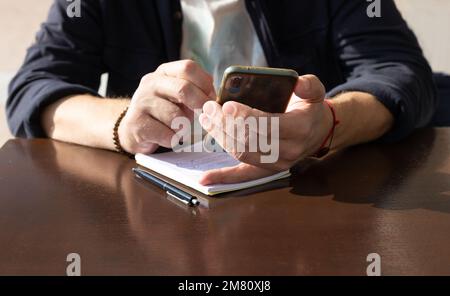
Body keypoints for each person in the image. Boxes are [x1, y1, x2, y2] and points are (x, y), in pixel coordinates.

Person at [6, 0, 438, 184]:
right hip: (153, 215)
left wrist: (328, 125)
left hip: (315, 197)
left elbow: (398, 70)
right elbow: (34, 87)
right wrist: (125, 125)